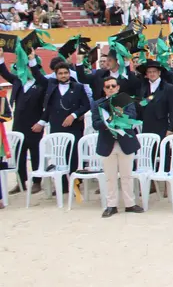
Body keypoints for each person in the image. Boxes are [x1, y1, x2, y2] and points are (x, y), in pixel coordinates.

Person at [32, 61, 91, 192]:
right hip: (57, 125)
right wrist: (42, 122)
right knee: (59, 155)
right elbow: (48, 107)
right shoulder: (51, 87)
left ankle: (75, 184)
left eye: (65, 73)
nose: (63, 75)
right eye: (60, 73)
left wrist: (74, 115)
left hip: (74, 126)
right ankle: (63, 185)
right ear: (56, 75)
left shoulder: (78, 87)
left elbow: (86, 105)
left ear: (69, 74)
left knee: (74, 154)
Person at [91, 76, 143, 217]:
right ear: (104, 89)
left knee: (127, 175)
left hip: (125, 142)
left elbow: (131, 118)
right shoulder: (98, 104)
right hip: (108, 143)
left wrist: (116, 118)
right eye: (107, 87)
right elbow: (95, 123)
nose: (111, 89)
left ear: (118, 87)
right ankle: (111, 205)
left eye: (113, 86)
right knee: (110, 177)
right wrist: (108, 122)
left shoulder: (126, 101)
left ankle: (130, 204)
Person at [0, 53, 47, 195]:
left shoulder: (41, 84)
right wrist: (1, 58)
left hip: (34, 124)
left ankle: (37, 181)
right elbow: (4, 73)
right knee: (19, 154)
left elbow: (47, 106)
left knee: (35, 153)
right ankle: (21, 182)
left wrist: (41, 122)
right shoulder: (18, 82)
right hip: (19, 124)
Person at [133, 60, 173, 186]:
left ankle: (167, 184)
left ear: (159, 73)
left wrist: (171, 128)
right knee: (149, 152)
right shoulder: (143, 87)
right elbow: (141, 104)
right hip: (147, 122)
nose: (152, 74)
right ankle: (151, 183)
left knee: (164, 153)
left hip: (162, 123)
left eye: (154, 72)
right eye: (149, 72)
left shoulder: (168, 87)